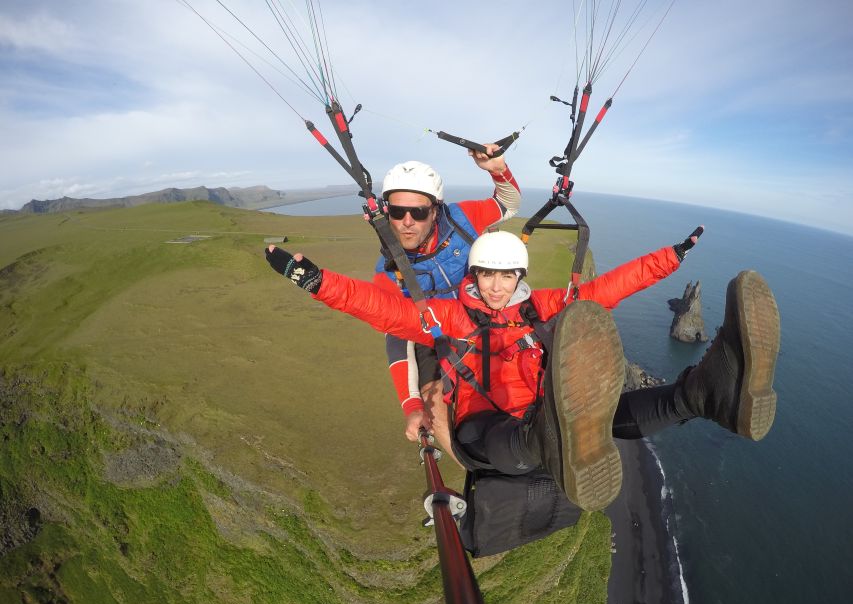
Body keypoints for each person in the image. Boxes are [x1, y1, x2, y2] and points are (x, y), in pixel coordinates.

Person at [264, 229, 780, 512]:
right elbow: (384, 311)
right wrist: (313, 280)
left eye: (505, 275)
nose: (494, 286)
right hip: (484, 435)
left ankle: (709, 394)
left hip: (545, 417)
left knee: (595, 414)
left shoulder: (543, 307)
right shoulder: (448, 315)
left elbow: (608, 291)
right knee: (558, 425)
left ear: (519, 276)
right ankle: (557, 437)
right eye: (486, 274)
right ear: (475, 275)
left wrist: (671, 258)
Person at [374, 148, 520, 467]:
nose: (406, 223)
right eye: (396, 212)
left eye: (419, 212)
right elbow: (397, 339)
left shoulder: (460, 218)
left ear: (435, 209)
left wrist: (498, 170)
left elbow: (507, 204)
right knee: (432, 394)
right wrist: (412, 404)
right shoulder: (388, 272)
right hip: (434, 330)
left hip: (482, 307)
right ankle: (473, 467)